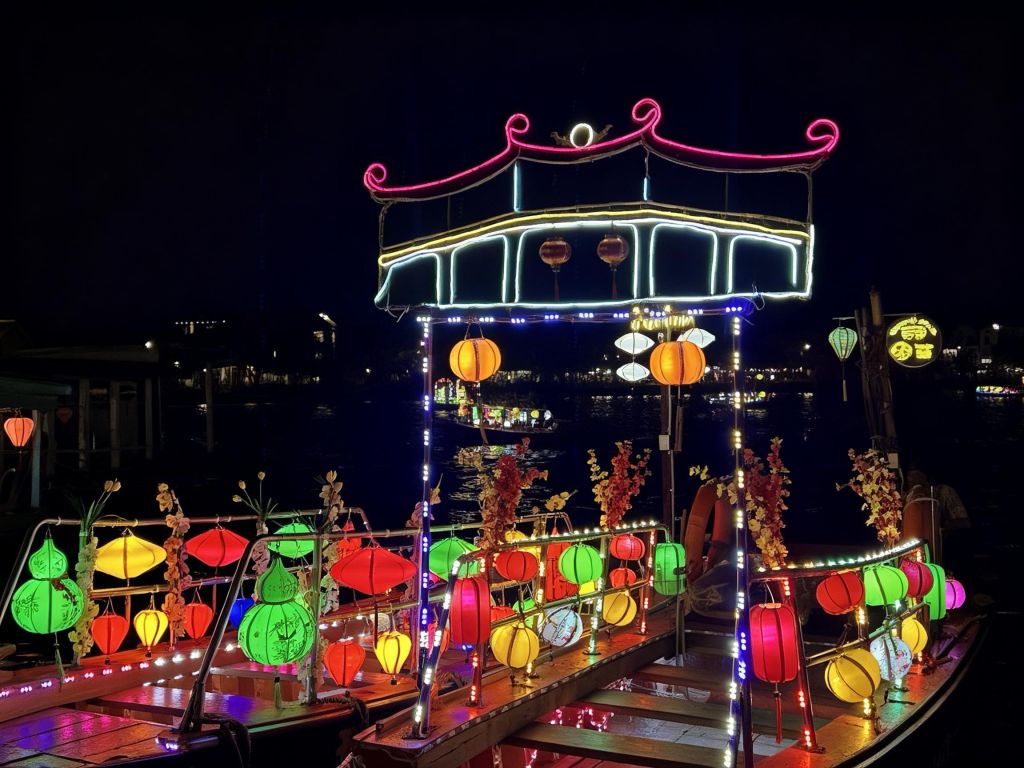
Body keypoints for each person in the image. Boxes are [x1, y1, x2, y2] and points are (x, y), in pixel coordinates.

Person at [905, 468, 973, 589]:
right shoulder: (907, 494)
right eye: (910, 478)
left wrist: (942, 527)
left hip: (945, 549)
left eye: (916, 477)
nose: (912, 481)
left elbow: (964, 522)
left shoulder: (944, 491)